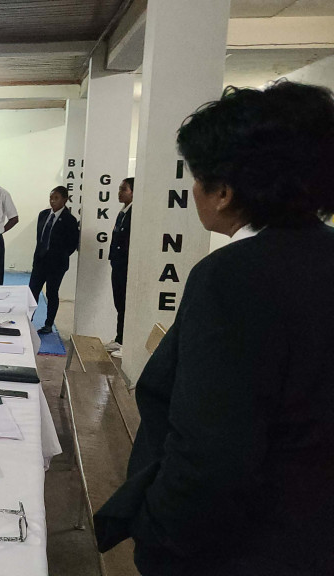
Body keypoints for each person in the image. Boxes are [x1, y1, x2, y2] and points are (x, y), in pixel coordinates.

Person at [94, 81, 334, 575]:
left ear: (223, 192)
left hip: (249, 545)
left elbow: (213, 451)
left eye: (196, 178)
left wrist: (158, 536)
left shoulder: (233, 278)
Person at [29, 186, 79, 334]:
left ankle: (48, 324)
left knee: (51, 293)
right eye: (51, 198)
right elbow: (40, 238)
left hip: (56, 265)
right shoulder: (43, 215)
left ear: (65, 199)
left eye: (56, 198)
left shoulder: (70, 220)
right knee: (32, 292)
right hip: (40, 261)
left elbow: (72, 244)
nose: (52, 201)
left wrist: (59, 255)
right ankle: (28, 320)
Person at [105, 177, 133, 358]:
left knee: (125, 304)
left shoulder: (134, 214)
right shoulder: (123, 212)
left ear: (134, 192)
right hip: (117, 264)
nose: (119, 192)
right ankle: (119, 338)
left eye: (124, 189)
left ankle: (126, 342)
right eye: (120, 189)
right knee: (119, 303)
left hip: (126, 266)